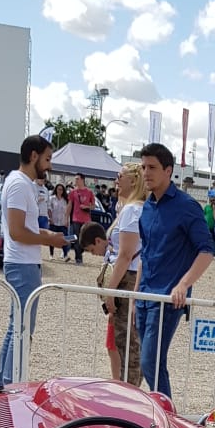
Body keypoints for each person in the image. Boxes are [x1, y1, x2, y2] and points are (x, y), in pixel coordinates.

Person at [136, 142, 213, 399]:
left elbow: (206, 250)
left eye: (152, 167)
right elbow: (145, 254)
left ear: (168, 170)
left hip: (168, 299)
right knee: (149, 363)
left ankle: (165, 417)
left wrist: (184, 284)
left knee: (150, 362)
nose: (146, 173)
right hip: (145, 296)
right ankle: (161, 413)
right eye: (144, 167)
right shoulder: (147, 207)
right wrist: (136, 294)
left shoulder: (186, 206)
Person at [0, 135, 67, 390]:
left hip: (23, 262)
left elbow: (24, 228)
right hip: (22, 264)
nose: (49, 165)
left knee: (17, 325)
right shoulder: (20, 185)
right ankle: (10, 384)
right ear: (34, 156)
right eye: (47, 158)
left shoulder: (21, 183)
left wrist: (49, 236)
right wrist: (48, 240)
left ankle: (4, 382)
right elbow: (17, 232)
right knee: (22, 327)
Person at [87, 161, 144, 386]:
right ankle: (131, 389)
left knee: (126, 342)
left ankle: (129, 393)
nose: (116, 180)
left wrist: (110, 292)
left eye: (120, 176)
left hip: (127, 278)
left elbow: (125, 255)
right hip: (132, 277)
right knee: (131, 342)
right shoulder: (137, 209)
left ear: (133, 181)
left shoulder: (132, 210)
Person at [68, 173, 95, 263]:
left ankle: (81, 251)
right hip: (76, 218)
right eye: (75, 179)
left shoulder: (89, 192)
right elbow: (69, 205)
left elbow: (93, 206)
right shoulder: (73, 192)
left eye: (77, 179)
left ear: (82, 180)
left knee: (85, 238)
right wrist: (66, 217)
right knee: (76, 238)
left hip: (86, 219)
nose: (75, 180)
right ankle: (78, 257)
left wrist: (86, 207)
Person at [47, 182, 70, 257]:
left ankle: (65, 254)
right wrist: (50, 218)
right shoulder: (52, 198)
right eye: (58, 189)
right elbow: (49, 209)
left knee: (64, 239)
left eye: (61, 189)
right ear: (56, 189)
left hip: (62, 222)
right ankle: (51, 254)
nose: (60, 191)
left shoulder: (65, 200)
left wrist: (67, 220)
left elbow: (67, 211)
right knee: (52, 238)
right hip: (54, 221)